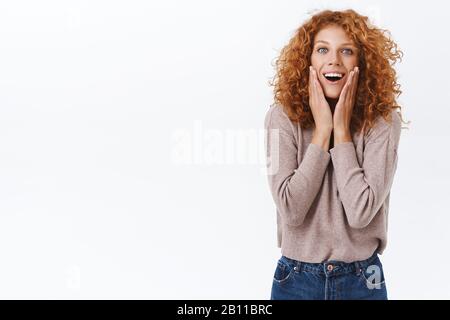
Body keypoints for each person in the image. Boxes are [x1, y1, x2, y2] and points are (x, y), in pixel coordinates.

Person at [265, 9, 409, 300]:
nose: (333, 60)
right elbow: (291, 210)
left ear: (362, 62)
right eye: (322, 50)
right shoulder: (282, 117)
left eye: (347, 51)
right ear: (307, 60)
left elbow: (361, 212)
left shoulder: (382, 121)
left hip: (363, 278)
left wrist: (341, 132)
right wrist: (321, 134)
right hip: (296, 278)